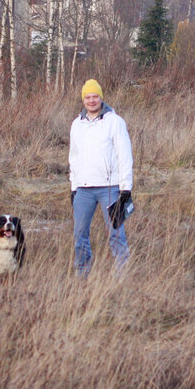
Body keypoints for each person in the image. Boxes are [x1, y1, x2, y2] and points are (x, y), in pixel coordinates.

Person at [69, 78, 133, 277]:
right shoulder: (76, 124)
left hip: (110, 188)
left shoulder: (115, 122)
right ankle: (82, 275)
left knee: (116, 234)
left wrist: (125, 189)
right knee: (79, 235)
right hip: (83, 189)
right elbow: (74, 156)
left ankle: (121, 276)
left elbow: (125, 155)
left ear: (101, 98)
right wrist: (73, 187)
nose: (91, 100)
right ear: (83, 100)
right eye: (87, 97)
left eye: (95, 96)